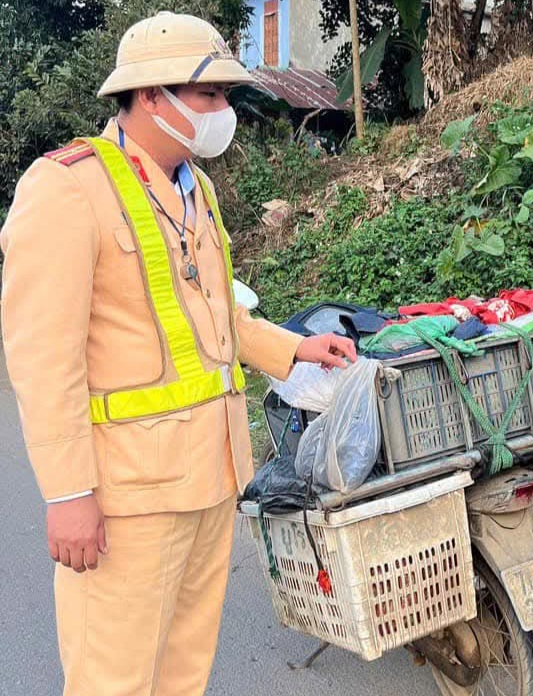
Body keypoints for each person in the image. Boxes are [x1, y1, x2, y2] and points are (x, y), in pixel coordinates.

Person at [0, 12, 356, 696]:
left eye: (225, 96)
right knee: (114, 680)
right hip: (128, 497)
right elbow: (43, 358)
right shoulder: (68, 188)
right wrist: (69, 494)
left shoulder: (197, 188)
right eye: (210, 96)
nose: (224, 112)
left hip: (209, 477)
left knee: (183, 674)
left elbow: (217, 311)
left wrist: (295, 346)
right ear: (151, 96)